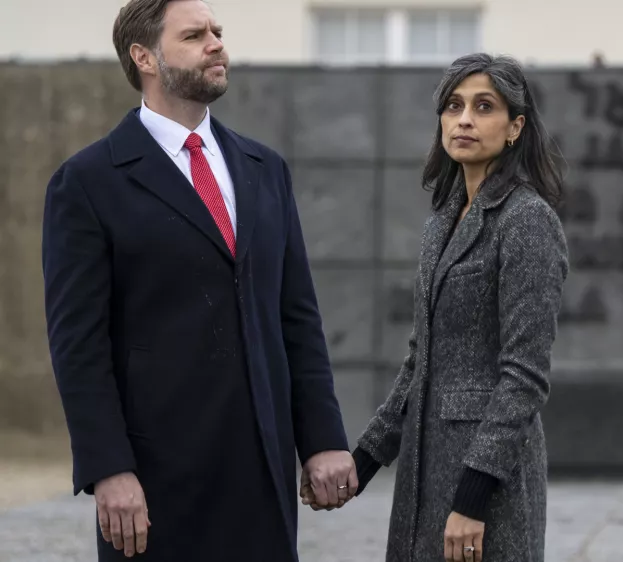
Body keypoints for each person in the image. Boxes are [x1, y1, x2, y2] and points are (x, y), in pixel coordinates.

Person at [40, 0, 358, 560]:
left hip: (262, 474)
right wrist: (108, 469)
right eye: (194, 35)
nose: (215, 43)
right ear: (144, 57)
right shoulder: (87, 183)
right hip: (157, 484)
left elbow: (297, 317)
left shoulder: (266, 170)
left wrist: (324, 439)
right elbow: (77, 347)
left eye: (217, 31)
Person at [302, 53, 569, 562]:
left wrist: (473, 498)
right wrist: (362, 463)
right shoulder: (441, 224)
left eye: (483, 106)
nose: (464, 118)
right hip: (423, 476)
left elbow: (524, 376)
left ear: (515, 127)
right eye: (453, 105)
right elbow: (419, 363)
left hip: (488, 486)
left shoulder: (526, 221)